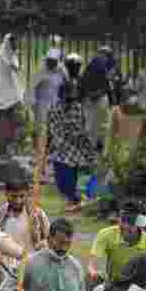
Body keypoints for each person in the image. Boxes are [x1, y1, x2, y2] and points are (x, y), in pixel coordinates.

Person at [47, 79, 97, 213]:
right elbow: (54, 129)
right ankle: (72, 199)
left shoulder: (77, 107)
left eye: (72, 95)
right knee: (62, 181)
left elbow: (81, 128)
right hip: (60, 149)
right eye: (68, 95)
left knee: (72, 179)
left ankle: (74, 200)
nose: (70, 98)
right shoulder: (54, 108)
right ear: (61, 95)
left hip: (75, 149)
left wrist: (85, 144)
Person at [88, 205, 146, 283]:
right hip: (113, 283)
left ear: (140, 224)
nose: (127, 227)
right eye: (124, 221)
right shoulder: (105, 234)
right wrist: (93, 273)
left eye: (131, 223)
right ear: (119, 220)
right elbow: (92, 264)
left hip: (138, 286)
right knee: (89, 278)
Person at [80, 46, 119, 154]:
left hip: (94, 98)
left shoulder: (95, 64)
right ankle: (95, 147)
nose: (102, 56)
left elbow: (83, 82)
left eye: (104, 54)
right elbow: (108, 85)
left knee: (94, 124)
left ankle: (93, 147)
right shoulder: (102, 65)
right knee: (98, 124)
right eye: (102, 54)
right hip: (97, 98)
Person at [25, 48, 66, 143]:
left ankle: (50, 148)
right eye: (49, 60)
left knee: (54, 128)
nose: (50, 63)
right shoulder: (41, 71)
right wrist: (32, 103)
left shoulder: (61, 71)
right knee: (41, 128)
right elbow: (31, 87)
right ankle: (40, 148)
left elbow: (65, 86)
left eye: (53, 61)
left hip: (55, 104)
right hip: (41, 104)